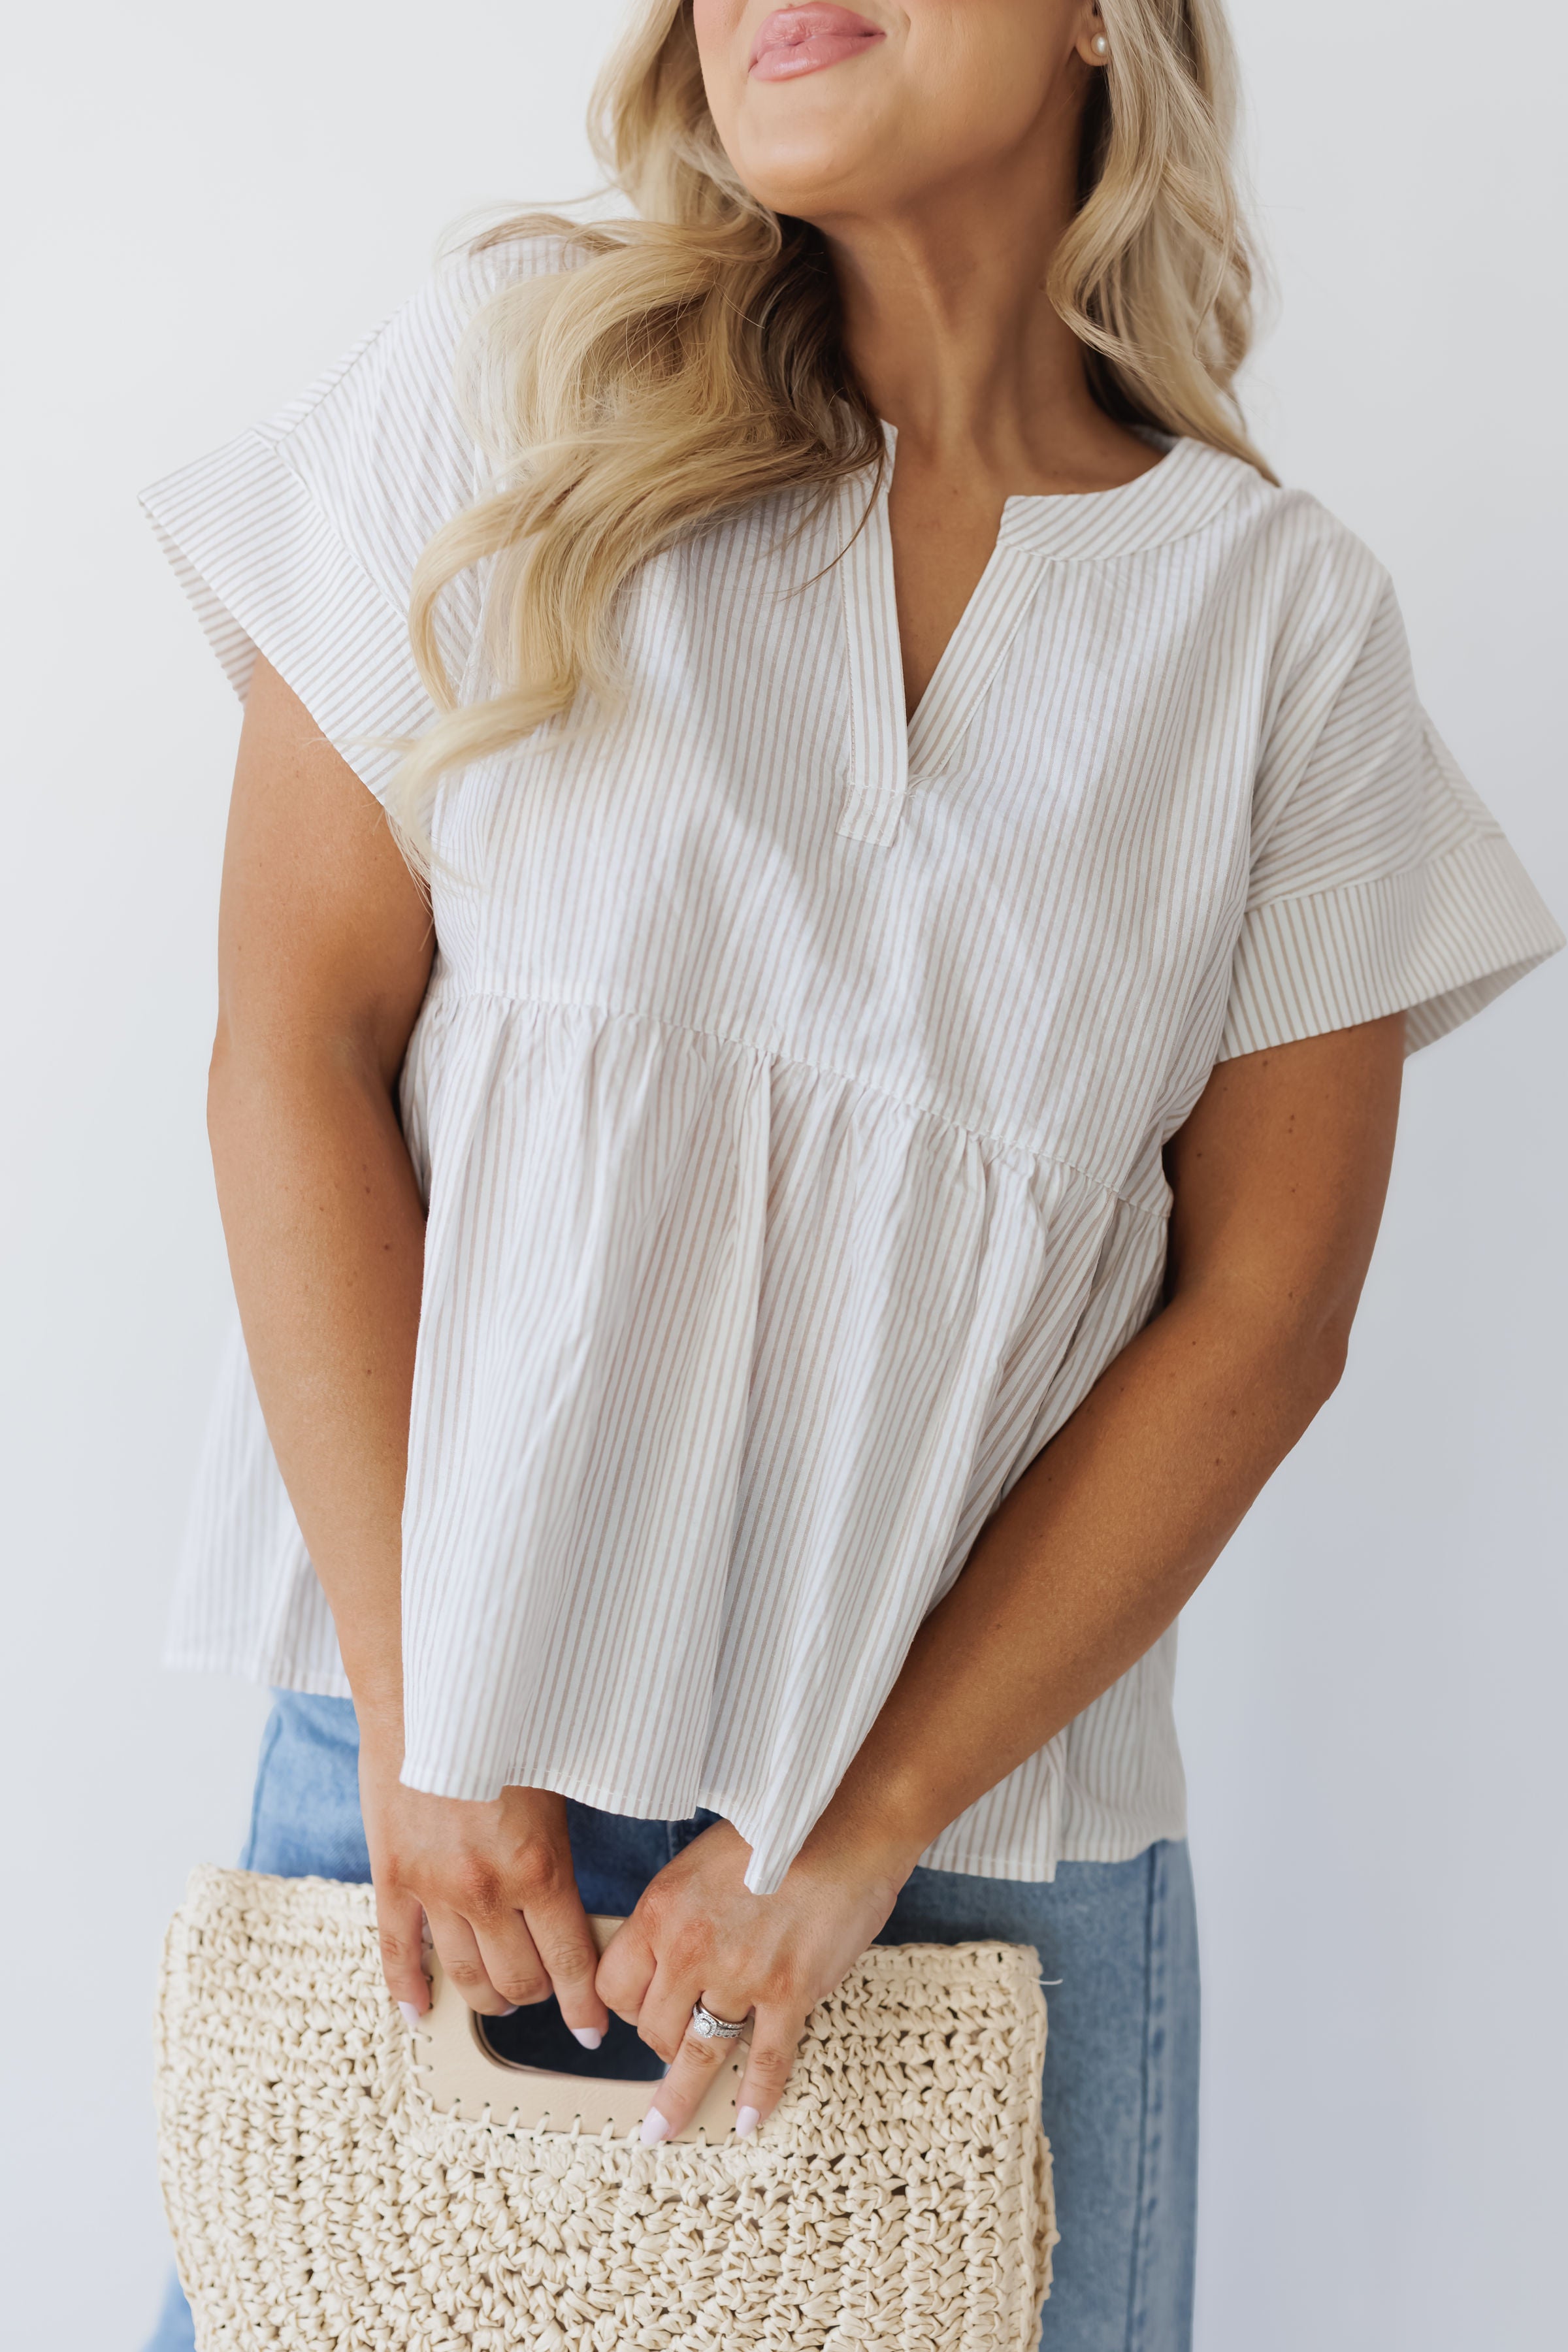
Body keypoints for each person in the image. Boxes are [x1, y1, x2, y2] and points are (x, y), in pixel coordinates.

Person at [137, 3, 1561, 2347]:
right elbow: (293, 1044)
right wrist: (422, 1706)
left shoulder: (1277, 632)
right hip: (444, 1813)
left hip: (966, 1864)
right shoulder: (515, 388)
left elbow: (1268, 1314)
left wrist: (857, 1823)